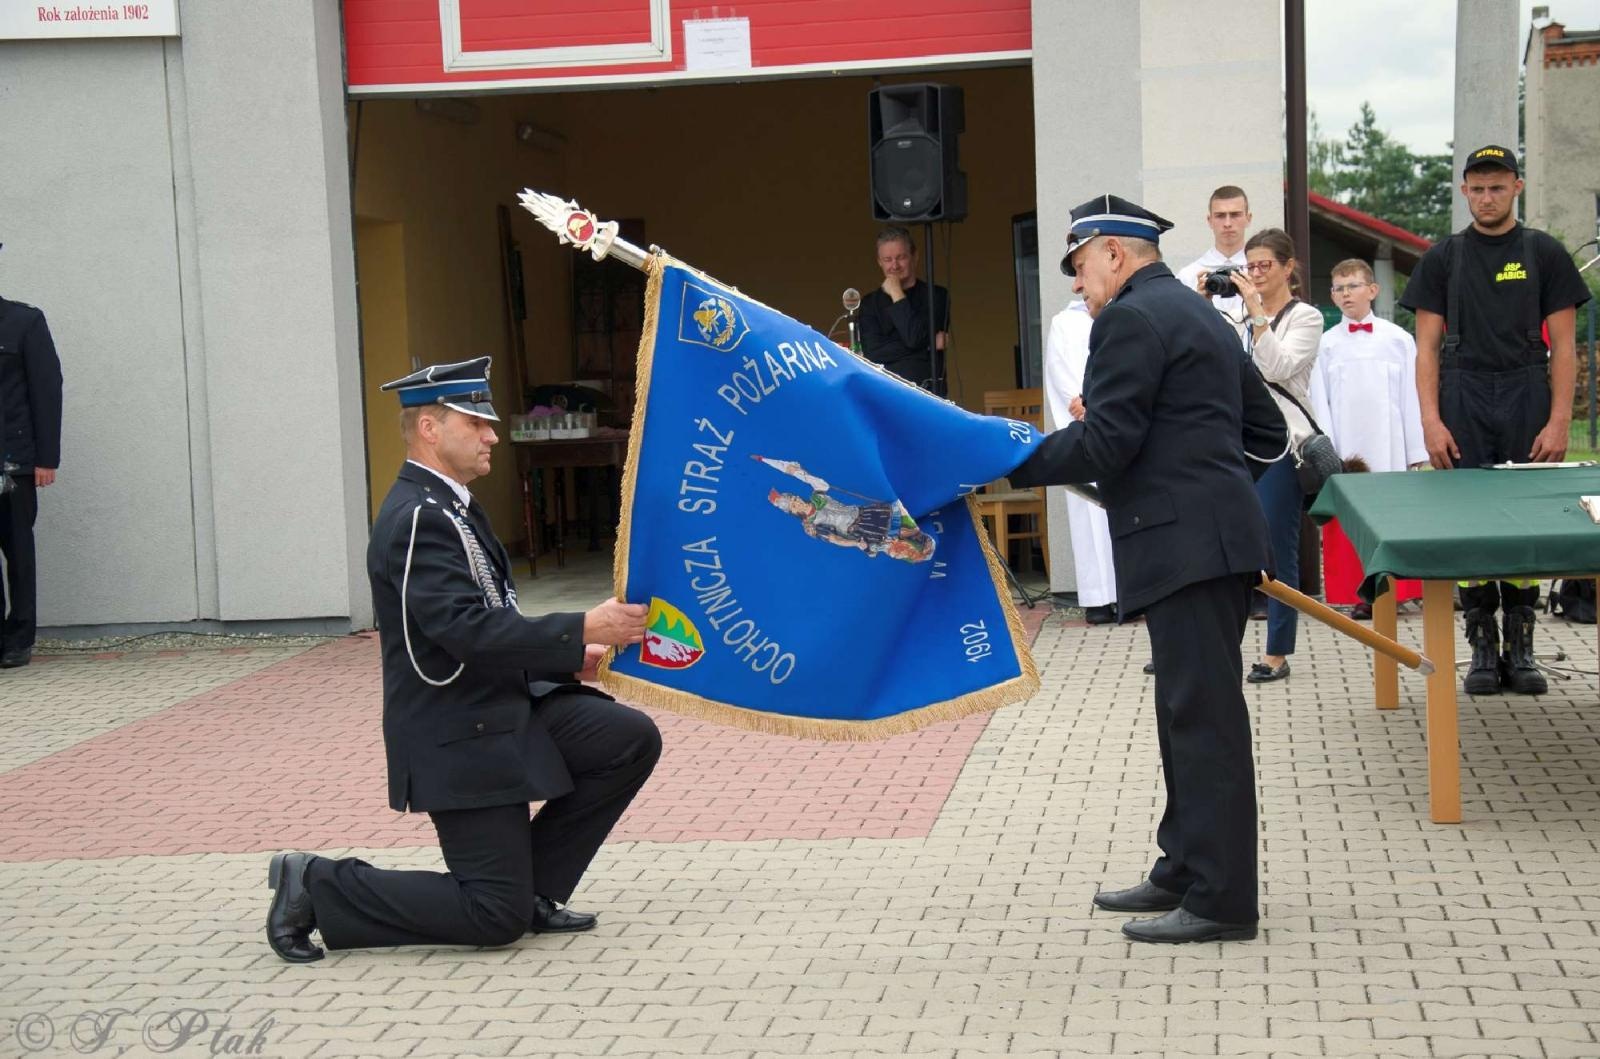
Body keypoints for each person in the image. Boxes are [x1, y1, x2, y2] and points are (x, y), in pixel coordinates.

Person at [266, 357, 662, 963]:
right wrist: (583, 624)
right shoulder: (418, 518)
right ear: (430, 428)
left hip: (494, 707)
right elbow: (464, 631)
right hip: (457, 731)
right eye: (476, 423)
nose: (492, 436)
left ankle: (535, 892)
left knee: (626, 737)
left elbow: (490, 620)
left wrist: (568, 658)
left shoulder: (450, 506)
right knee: (489, 916)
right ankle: (317, 884)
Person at [1010, 194, 1287, 944]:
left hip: (1186, 547)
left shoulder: (1129, 319)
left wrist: (1008, 456)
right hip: (1207, 541)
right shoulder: (1198, 311)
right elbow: (1265, 432)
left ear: (1114, 252)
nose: (1076, 284)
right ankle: (1185, 865)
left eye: (1078, 264)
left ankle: (1224, 899)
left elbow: (1106, 444)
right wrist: (1209, 480)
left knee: (1204, 724)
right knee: (1183, 715)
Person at [1400, 144, 1592, 695]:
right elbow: (1427, 351)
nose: (1487, 197)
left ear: (1517, 187)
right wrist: (1431, 423)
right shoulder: (1443, 258)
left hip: (1525, 388)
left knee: (1525, 519)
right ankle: (1481, 643)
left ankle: (1521, 643)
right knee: (1468, 519)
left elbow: (1565, 349)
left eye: (1497, 186)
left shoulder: (1544, 253)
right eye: (1477, 188)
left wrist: (1558, 423)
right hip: (1462, 392)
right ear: (1464, 191)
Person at [1218, 228, 1324, 683]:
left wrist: (1257, 313)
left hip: (1283, 447)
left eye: (1264, 265)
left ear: (1288, 268)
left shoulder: (1307, 317)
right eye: (1250, 265)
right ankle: (1221, 645)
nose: (1256, 274)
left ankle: (1278, 651)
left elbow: (1278, 366)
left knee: (1278, 551)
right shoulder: (1241, 316)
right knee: (1230, 548)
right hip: (1238, 445)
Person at [1308, 259, 1428, 618]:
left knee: (1394, 516)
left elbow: (1411, 394)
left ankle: (1400, 589)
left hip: (1390, 443)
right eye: (1338, 289)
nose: (1346, 295)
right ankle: (1358, 591)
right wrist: (1329, 451)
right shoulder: (1326, 344)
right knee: (1353, 521)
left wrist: (1415, 448)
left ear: (1372, 290)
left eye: (1353, 286)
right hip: (1348, 447)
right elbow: (1320, 400)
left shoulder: (1399, 340)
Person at [0, 283, 64, 670]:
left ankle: (19, 639)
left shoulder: (24, 321)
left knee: (18, 551)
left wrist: (46, 458)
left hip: (14, 460)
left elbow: (47, 389)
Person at [1042, 300, 1116, 624]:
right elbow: (1058, 370)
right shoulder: (1064, 321)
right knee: (1088, 513)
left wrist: (1100, 406)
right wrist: (1081, 404)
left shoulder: (1120, 314)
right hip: (1083, 424)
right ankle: (1097, 598)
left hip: (1115, 422)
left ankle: (1129, 595)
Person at [857, 227, 950, 391]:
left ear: (915, 257)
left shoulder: (936, 296)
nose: (895, 265)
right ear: (879, 262)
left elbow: (913, 337)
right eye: (887, 259)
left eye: (901, 257)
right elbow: (873, 354)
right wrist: (928, 344)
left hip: (928, 393)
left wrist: (896, 293)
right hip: (886, 393)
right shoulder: (869, 303)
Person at [1176, 186, 1253, 325]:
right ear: (1209, 220)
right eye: (1220, 216)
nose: (1228, 223)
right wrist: (1199, 304)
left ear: (1248, 218)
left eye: (1235, 215)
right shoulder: (1188, 276)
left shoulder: (1259, 272)